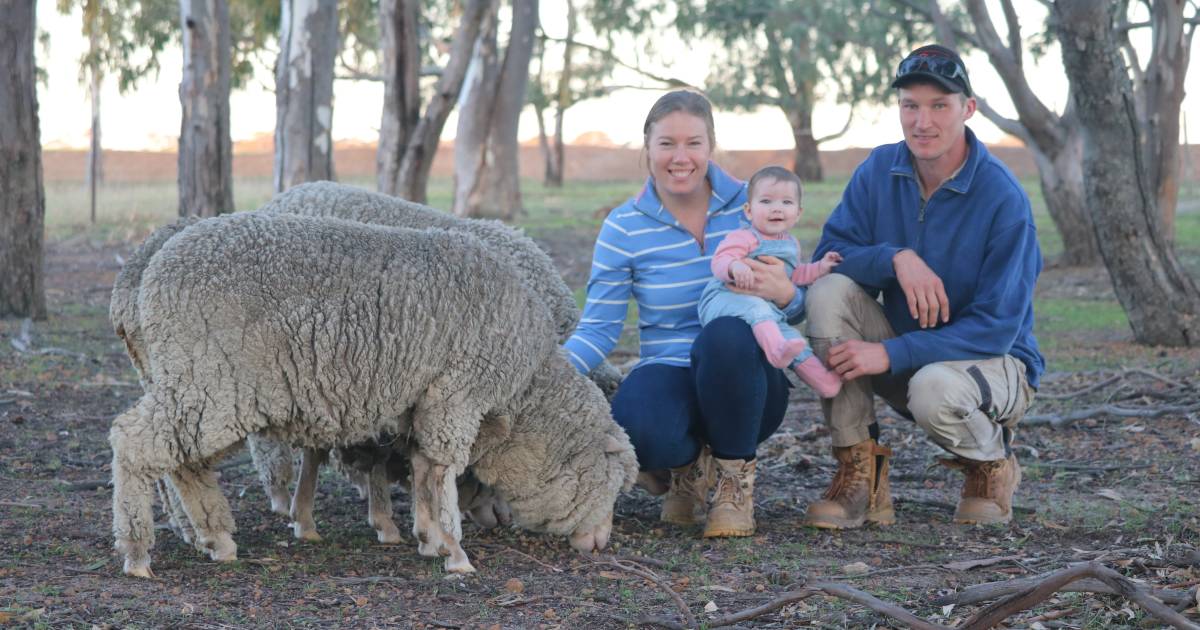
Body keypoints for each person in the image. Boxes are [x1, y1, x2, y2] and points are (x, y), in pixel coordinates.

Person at [801, 44, 1044, 529]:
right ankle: (860, 475)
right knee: (827, 293)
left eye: (939, 105)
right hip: (911, 356)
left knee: (935, 389)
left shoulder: (1003, 198)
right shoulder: (878, 170)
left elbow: (996, 328)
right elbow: (828, 256)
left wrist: (890, 354)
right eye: (910, 105)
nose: (922, 121)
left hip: (996, 363)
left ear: (967, 109)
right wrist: (896, 258)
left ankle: (991, 464)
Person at [563, 90, 804, 538]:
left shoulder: (752, 205)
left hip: (749, 380)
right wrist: (549, 372)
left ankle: (734, 481)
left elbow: (798, 300)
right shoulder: (624, 226)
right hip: (669, 365)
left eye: (693, 143)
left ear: (710, 145)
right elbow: (599, 327)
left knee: (727, 332)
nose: (680, 157)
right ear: (647, 148)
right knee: (639, 428)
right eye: (667, 143)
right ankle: (688, 468)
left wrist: (789, 293)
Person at [697, 165, 843, 398]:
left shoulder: (790, 244)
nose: (776, 208)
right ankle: (776, 351)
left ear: (798, 213)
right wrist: (735, 266)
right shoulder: (744, 237)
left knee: (793, 338)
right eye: (766, 201)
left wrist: (820, 267)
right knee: (757, 309)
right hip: (724, 299)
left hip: (765, 310)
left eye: (786, 202)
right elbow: (720, 261)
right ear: (748, 210)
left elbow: (795, 275)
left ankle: (826, 383)